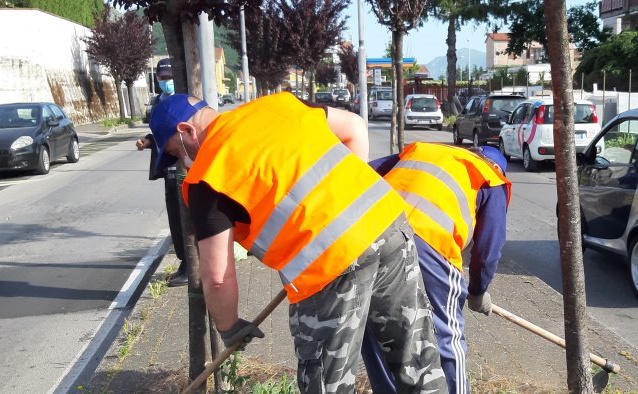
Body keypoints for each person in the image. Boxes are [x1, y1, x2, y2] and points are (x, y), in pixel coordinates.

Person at [149, 92, 446, 392]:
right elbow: (354, 126)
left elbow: (216, 277)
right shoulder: (278, 104)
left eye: (176, 153)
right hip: (388, 223)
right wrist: (351, 212)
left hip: (330, 264)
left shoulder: (208, 174)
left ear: (187, 130)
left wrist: (229, 328)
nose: (183, 164)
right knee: (417, 363)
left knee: (326, 383)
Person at [364, 142, 512, 394]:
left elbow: (362, 171)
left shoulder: (422, 150)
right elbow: (488, 248)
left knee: (373, 321)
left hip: (369, 234)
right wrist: (478, 291)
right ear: (498, 167)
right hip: (429, 245)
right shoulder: (491, 177)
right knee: (445, 333)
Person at [135, 58, 187, 287]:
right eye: (163, 78)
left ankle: (190, 263)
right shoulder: (157, 103)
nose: (167, 82)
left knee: (187, 215)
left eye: (170, 78)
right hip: (168, 167)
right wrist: (147, 141)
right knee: (175, 217)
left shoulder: (183, 100)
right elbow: (157, 133)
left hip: (185, 165)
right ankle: (185, 260)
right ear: (157, 79)